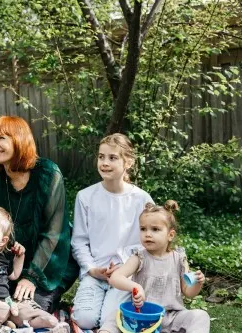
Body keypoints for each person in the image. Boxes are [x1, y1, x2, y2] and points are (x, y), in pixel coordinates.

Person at [0, 115, 79, 314]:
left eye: (1, 138)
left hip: (50, 263)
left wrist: (32, 276)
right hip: (10, 265)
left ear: (19, 140)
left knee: (28, 309)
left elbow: (54, 233)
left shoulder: (48, 174)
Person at [71, 133, 154, 330]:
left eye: (112, 157)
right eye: (101, 157)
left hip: (126, 277)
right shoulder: (85, 197)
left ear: (129, 162)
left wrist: (125, 269)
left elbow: (150, 243)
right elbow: (79, 241)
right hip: (95, 274)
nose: (105, 163)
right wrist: (92, 269)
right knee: (85, 320)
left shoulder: (142, 199)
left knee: (111, 321)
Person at [102, 200, 210, 333]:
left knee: (200, 316)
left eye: (155, 229)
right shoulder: (139, 258)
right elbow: (115, 278)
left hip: (172, 317)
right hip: (141, 317)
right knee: (114, 317)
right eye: (143, 229)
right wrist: (136, 287)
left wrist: (198, 283)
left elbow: (188, 292)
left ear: (170, 235)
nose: (147, 234)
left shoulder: (179, 259)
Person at [0, 206, 69, 332]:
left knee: (30, 313)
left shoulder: (2, 258)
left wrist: (20, 257)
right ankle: (11, 330)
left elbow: (14, 275)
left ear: (2, 241)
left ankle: (51, 324)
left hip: (8, 308)